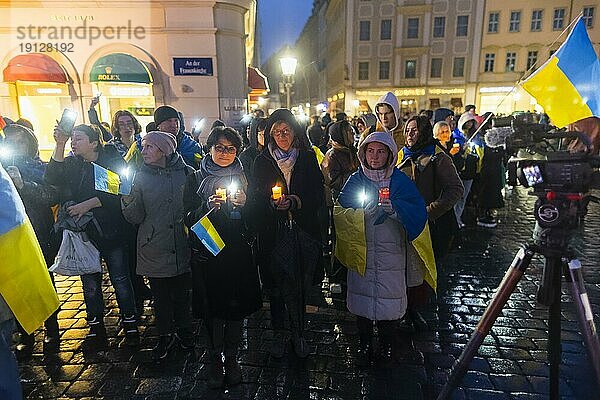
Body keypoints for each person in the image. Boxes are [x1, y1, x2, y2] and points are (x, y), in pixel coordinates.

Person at [337, 131, 435, 366]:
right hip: (364, 252)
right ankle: (364, 344)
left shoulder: (400, 181)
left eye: (380, 151)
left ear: (390, 154)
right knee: (362, 304)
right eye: (370, 151)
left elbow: (418, 213)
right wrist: (361, 214)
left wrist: (397, 210)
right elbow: (340, 211)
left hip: (392, 254)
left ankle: (387, 346)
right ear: (363, 153)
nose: (374, 156)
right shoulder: (355, 180)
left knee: (389, 305)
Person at [45, 123, 139, 345]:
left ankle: (130, 324)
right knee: (89, 283)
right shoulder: (73, 164)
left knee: (120, 278)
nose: (73, 143)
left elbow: (117, 192)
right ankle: (96, 327)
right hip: (84, 233)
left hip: (111, 231)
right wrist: (59, 145)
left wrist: (86, 205)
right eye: (72, 139)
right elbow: (52, 178)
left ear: (94, 142)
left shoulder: (109, 160)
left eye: (78, 139)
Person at [183, 126, 261, 388]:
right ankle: (216, 358)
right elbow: (186, 217)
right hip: (209, 256)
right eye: (220, 148)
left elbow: (258, 220)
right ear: (210, 148)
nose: (225, 153)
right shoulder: (195, 179)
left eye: (230, 149)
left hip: (238, 255)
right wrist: (206, 207)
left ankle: (233, 357)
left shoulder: (246, 177)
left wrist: (246, 204)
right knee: (213, 310)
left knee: (236, 311)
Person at [250, 108, 325, 359]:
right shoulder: (262, 161)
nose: (282, 135)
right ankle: (279, 333)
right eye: (277, 132)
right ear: (270, 135)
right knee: (276, 287)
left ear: (295, 132)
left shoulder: (307, 157)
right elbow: (255, 197)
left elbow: (317, 194)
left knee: (300, 286)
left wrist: (296, 201)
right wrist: (271, 204)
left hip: (303, 231)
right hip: (273, 234)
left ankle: (298, 333)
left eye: (286, 131)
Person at [121, 130, 195, 361]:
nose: (143, 151)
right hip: (154, 245)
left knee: (182, 295)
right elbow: (134, 217)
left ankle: (185, 331)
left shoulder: (187, 172)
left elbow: (195, 206)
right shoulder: (140, 177)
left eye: (149, 147)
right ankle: (165, 335)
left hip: (182, 244)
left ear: (164, 150)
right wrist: (126, 197)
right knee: (160, 297)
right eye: (143, 147)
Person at [398, 116, 463, 330]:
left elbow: (455, 189)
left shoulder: (438, 157)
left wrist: (430, 211)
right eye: (408, 130)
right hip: (404, 221)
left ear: (424, 132)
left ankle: (416, 310)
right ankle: (403, 308)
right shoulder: (401, 154)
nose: (410, 134)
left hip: (430, 225)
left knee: (423, 269)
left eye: (415, 130)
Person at [1, 124, 61, 352]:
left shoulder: (40, 168)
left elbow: (51, 195)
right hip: (10, 237)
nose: (15, 145)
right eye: (11, 141)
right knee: (16, 283)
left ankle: (52, 328)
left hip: (39, 232)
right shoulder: (3, 169)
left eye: (20, 141)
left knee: (44, 281)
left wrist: (24, 185)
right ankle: (25, 333)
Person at [453, 112, 484, 228]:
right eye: (467, 123)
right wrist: (461, 149)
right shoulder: (456, 136)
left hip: (470, 171)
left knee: (463, 197)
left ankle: (458, 218)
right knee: (456, 197)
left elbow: (480, 153)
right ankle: (454, 219)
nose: (469, 125)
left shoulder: (476, 137)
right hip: (459, 171)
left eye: (471, 123)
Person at [321, 120, 359, 202]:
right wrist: (356, 178)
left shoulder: (352, 151)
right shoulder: (332, 155)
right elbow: (333, 181)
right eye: (350, 131)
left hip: (355, 193)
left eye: (353, 131)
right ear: (341, 135)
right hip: (340, 198)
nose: (353, 134)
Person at [239, 117, 266, 185]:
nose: (265, 138)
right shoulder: (246, 155)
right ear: (255, 134)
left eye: (266, 134)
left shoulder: (271, 152)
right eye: (262, 134)